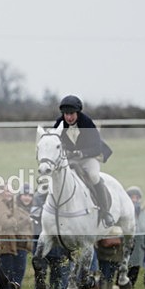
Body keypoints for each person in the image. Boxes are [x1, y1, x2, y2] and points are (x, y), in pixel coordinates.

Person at [53, 95, 114, 226]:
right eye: (66, 114)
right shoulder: (59, 124)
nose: (68, 117)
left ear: (78, 112)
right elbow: (53, 142)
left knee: (93, 176)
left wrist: (81, 153)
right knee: (55, 176)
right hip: (69, 159)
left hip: (89, 157)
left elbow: (97, 147)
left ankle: (105, 212)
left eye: (71, 114)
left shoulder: (87, 123)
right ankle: (43, 208)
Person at [0, 184, 33, 289]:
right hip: (4, 245)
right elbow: (4, 223)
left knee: (16, 276)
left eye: (11, 191)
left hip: (15, 245)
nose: (9, 194)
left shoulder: (13, 206)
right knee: (7, 275)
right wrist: (18, 221)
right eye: (7, 191)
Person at [124, 186, 145, 289]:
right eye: (132, 197)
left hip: (139, 245)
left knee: (135, 268)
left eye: (136, 198)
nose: (134, 200)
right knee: (124, 267)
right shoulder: (124, 210)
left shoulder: (143, 212)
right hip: (126, 244)